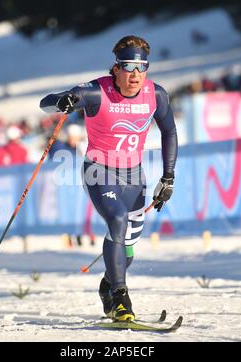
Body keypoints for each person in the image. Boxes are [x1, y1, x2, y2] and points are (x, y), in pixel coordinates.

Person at [40, 35, 178, 322]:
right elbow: (46, 103)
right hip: (99, 171)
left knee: (127, 251)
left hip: (134, 178)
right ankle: (120, 298)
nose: (135, 74)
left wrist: (168, 177)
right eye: (128, 66)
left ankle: (108, 283)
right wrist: (62, 101)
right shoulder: (95, 92)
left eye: (142, 67)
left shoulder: (157, 94)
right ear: (116, 68)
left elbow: (169, 132)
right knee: (117, 220)